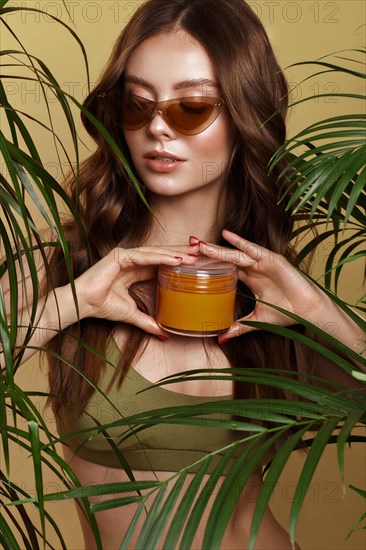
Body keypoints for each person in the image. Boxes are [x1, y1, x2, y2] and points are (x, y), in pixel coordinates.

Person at [4, 0, 364, 548]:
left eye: (191, 106)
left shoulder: (278, 292)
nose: (156, 127)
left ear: (244, 112)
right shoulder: (63, 260)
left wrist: (318, 312)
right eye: (136, 104)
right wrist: (70, 304)